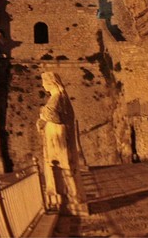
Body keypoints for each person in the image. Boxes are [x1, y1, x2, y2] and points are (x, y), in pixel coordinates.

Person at [37, 72, 88, 215]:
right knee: (60, 168)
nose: (42, 85)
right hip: (56, 137)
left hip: (58, 139)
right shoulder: (59, 98)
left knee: (61, 167)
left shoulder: (57, 98)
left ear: (51, 83)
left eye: (44, 82)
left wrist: (42, 113)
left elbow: (52, 115)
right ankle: (67, 197)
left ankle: (68, 199)